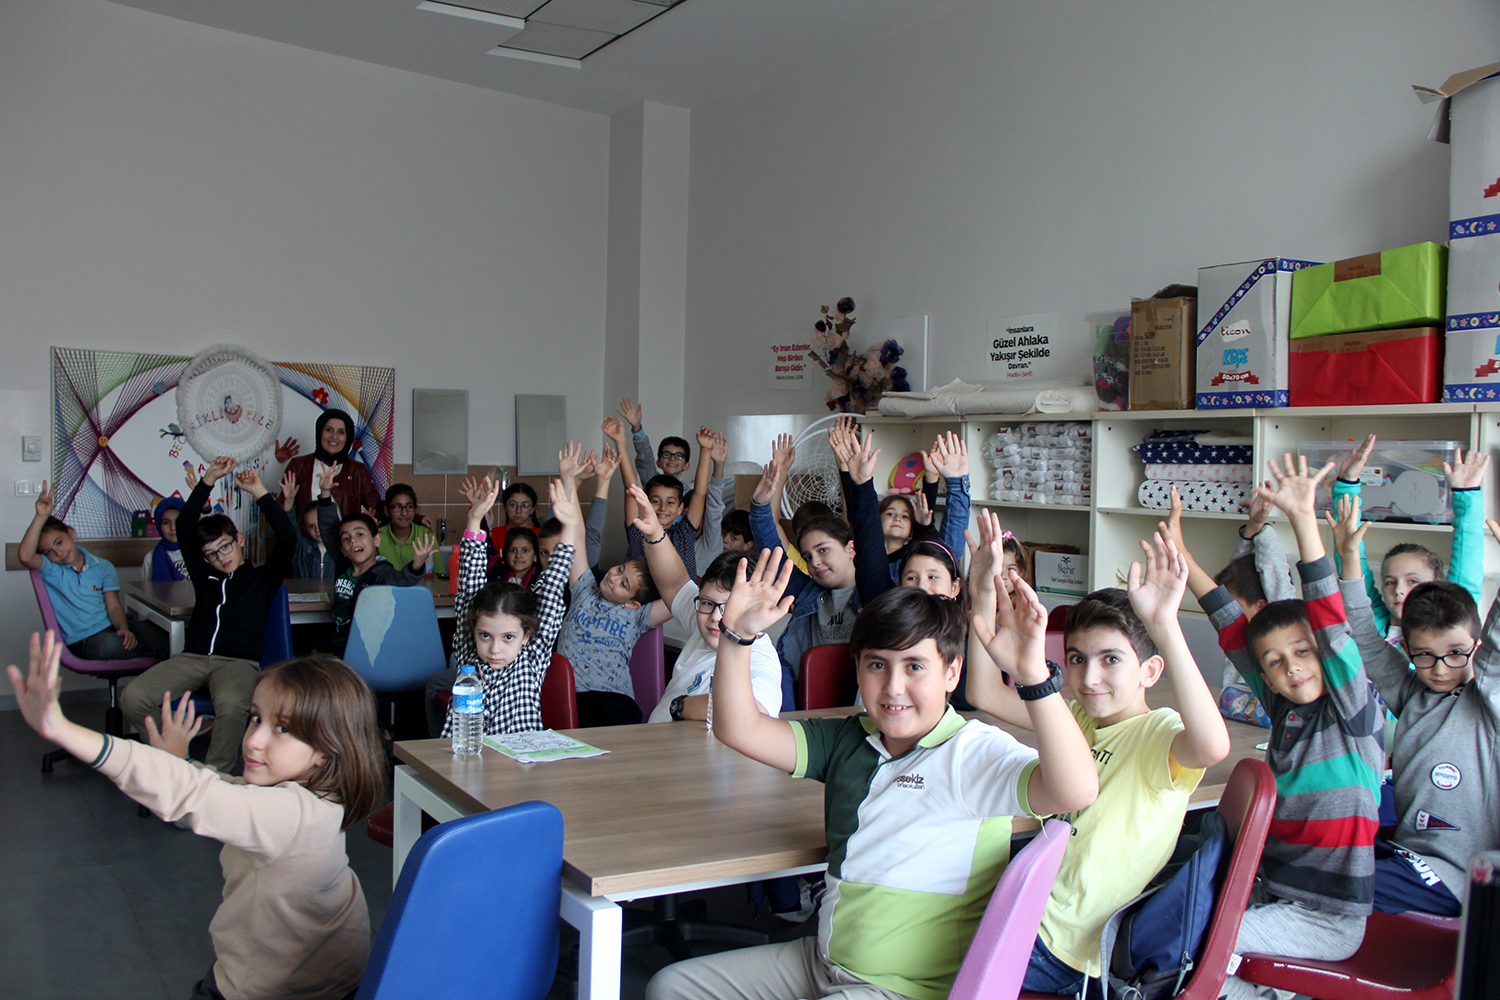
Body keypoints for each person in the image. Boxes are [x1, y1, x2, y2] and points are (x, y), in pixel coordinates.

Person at [645, 550, 1098, 1000]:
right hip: (823, 962)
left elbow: (1075, 789)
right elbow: (737, 727)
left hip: (903, 989)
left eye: (915, 667)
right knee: (671, 987)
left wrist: (1034, 679)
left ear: (951, 673)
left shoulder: (971, 752)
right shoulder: (850, 739)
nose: (893, 687)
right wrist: (737, 637)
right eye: (877, 665)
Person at [8, 634, 384, 1000]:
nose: (253, 740)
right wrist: (183, 762)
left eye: (282, 729)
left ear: (325, 751)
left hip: (264, 987)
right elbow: (231, 793)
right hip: (337, 978)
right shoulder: (321, 799)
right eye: (255, 718)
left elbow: (194, 793)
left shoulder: (287, 815)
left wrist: (63, 730)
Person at [967, 509, 1229, 993]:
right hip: (1031, 912)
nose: (1088, 678)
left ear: (1150, 671)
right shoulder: (1080, 718)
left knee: (925, 950)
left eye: (1111, 660)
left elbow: (1213, 745)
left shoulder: (1157, 733)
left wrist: (1166, 626)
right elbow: (984, 694)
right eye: (1076, 659)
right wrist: (982, 592)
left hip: (1067, 948)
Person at [1171, 455, 1383, 1000]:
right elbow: (1230, 626)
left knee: (1203, 948)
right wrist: (1184, 557)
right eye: (1275, 663)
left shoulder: (1352, 715)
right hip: (1272, 892)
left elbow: (1331, 623)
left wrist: (1303, 521)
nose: (1292, 668)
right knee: (1188, 933)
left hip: (1326, 916)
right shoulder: (1285, 708)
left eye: (1302, 653)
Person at [1328, 496, 1500, 917]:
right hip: (1407, 853)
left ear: (1475, 650)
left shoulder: (1488, 702)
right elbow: (1364, 634)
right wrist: (1350, 559)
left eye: (1456, 654)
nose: (1440, 669)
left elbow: (1496, 645)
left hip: (1460, 876)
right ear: (1407, 649)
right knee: (1310, 863)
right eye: (1425, 655)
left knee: (1331, 884)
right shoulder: (1411, 692)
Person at [118, 458, 298, 773]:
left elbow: (288, 537)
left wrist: (258, 490)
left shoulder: (262, 579)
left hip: (238, 663)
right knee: (132, 697)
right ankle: (171, 762)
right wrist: (209, 479)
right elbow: (186, 525)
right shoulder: (206, 577)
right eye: (211, 554)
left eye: (225, 547)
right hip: (193, 658)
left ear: (239, 540)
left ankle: (214, 781)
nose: (220, 558)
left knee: (231, 706)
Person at [627, 482, 783, 723]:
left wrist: (679, 706)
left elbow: (751, 716)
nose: (716, 617)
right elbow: (674, 582)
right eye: (708, 603)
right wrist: (654, 533)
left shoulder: (760, 655)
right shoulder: (706, 620)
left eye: (729, 608)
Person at [437, 472, 579, 737]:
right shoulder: (470, 655)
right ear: (473, 630)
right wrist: (475, 518)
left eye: (508, 637)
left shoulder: (533, 656)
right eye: (485, 635)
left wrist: (569, 527)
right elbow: (469, 581)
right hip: (466, 761)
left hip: (518, 766)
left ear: (526, 636)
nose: (494, 649)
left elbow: (555, 581)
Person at [557, 449, 676, 726]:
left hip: (614, 700)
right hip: (568, 695)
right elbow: (577, 533)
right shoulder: (585, 588)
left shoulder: (637, 615)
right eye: (619, 570)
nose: (613, 577)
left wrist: (656, 534)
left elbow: (678, 595)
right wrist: (570, 480)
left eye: (624, 584)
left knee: (622, 723)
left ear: (633, 602)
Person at [1331, 435, 1488, 642]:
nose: (1398, 591)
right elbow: (1350, 554)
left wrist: (1466, 493)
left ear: (1436, 585)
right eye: (1390, 582)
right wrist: (1346, 483)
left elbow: (1467, 560)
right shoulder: (1373, 624)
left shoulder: (1452, 621)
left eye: (1413, 581)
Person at [1175, 484, 1293, 728]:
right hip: (1238, 733)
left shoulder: (1281, 641)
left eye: (1234, 607)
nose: (1226, 612)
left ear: (1262, 606)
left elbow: (1277, 579)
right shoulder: (1239, 642)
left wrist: (1263, 529)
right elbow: (1230, 583)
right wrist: (1251, 530)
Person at [747, 447, 862, 678]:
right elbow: (773, 553)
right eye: (808, 556)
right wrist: (760, 507)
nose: (815, 562)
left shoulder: (876, 590)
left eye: (823, 550)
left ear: (850, 548)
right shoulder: (807, 591)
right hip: (806, 695)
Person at [20, 482, 164, 660]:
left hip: (112, 627)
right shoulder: (52, 570)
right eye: (49, 552)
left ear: (70, 533)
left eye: (59, 542)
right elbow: (25, 556)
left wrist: (124, 629)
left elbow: (113, 607)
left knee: (160, 635)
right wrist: (40, 517)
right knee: (109, 645)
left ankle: (163, 652)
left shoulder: (102, 566)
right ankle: (161, 655)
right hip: (84, 640)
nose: (58, 552)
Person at [315, 462, 433, 651]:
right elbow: (329, 528)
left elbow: (400, 580)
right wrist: (325, 495)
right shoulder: (343, 564)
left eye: (360, 534)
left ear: (376, 540)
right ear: (342, 549)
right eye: (347, 538)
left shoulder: (381, 572)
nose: (353, 541)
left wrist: (416, 565)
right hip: (340, 649)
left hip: (367, 652)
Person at [606, 417, 715, 578]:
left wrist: (706, 451)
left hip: (681, 603)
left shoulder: (684, 533)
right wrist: (621, 442)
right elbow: (631, 488)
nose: (663, 508)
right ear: (645, 504)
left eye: (670, 502)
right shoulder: (638, 532)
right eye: (655, 501)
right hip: (644, 603)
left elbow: (700, 493)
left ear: (680, 508)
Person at [280, 408, 380, 516]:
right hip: (305, 533)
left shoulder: (357, 470)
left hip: (344, 533)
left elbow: (377, 508)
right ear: (319, 432)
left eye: (341, 432)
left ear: (348, 437)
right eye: (329, 430)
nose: (334, 436)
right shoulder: (298, 465)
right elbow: (282, 510)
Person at [375, 483, 435, 571]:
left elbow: (438, 574)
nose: (404, 513)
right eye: (397, 507)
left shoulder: (426, 534)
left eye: (409, 506)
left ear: (415, 509)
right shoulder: (377, 537)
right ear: (387, 511)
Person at [140, 497, 188, 582]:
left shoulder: (200, 551)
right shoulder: (150, 558)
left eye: (178, 521)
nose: (173, 528)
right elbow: (147, 592)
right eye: (166, 522)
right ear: (159, 525)